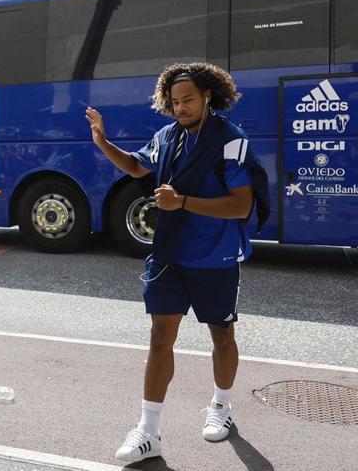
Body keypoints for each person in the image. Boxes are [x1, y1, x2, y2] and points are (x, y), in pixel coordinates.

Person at [85, 63, 269, 463]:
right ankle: (148, 431)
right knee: (159, 336)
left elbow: (241, 206)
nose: (180, 108)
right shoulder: (166, 135)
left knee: (221, 335)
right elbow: (137, 166)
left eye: (187, 100)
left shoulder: (231, 140)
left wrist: (183, 201)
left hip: (215, 257)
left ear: (208, 95)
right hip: (169, 254)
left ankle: (221, 406)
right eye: (174, 102)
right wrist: (102, 142)